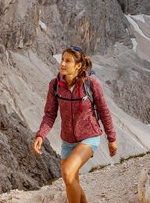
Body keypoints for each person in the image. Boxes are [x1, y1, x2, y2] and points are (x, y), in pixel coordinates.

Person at [32, 46, 117, 203]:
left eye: (68, 61)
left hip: (89, 137)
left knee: (68, 173)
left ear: (78, 66)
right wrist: (41, 135)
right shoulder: (55, 85)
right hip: (67, 141)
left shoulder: (91, 84)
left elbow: (104, 112)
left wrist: (112, 139)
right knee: (72, 182)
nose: (62, 64)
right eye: (62, 59)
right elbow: (50, 114)